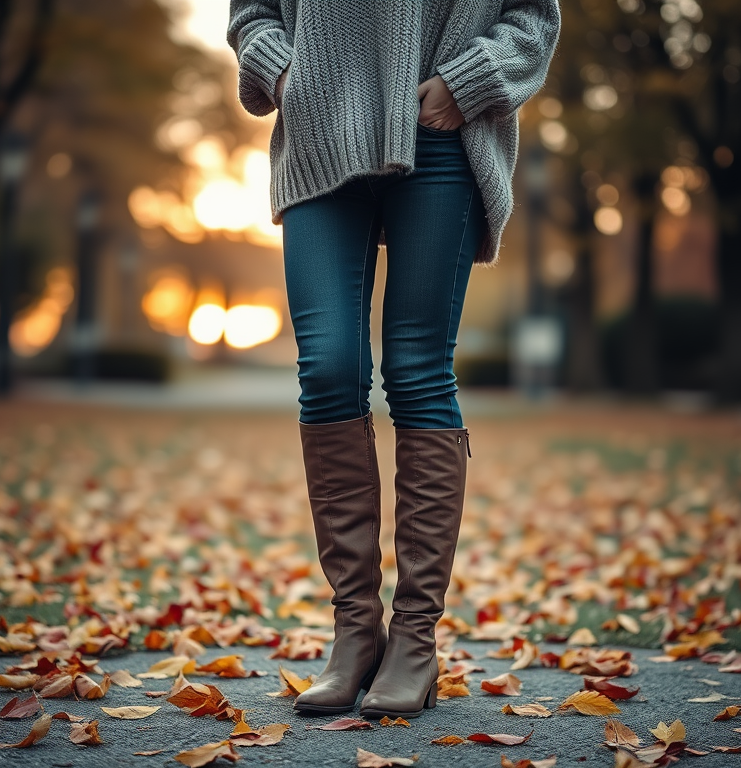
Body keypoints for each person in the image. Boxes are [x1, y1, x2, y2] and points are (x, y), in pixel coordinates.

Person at [227, 0, 560, 719]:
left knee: (417, 370)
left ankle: (413, 640)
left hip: (444, 131)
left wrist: (470, 79)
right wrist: (283, 71)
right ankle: (356, 632)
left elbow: (533, 15)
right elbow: (253, 12)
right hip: (320, 130)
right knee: (327, 367)